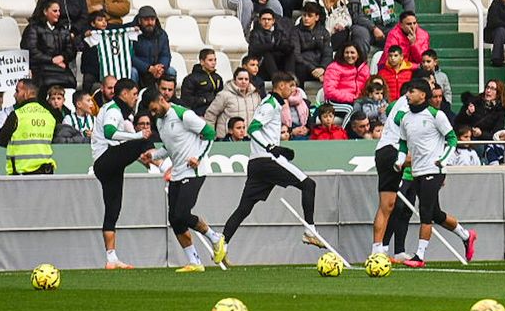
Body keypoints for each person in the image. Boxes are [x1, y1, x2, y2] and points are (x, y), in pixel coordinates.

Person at [220, 72, 329, 258]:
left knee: (244, 207)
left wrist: (278, 147)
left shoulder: (275, 105)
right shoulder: (270, 104)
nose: (294, 89)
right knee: (308, 184)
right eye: (291, 85)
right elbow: (253, 128)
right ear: (280, 86)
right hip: (266, 160)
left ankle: (222, 243)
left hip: (257, 162)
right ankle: (310, 231)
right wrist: (272, 148)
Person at [394, 77, 477, 267]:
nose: (408, 94)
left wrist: (443, 160)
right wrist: (400, 160)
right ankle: (466, 235)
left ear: (423, 95)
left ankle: (419, 256)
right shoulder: (405, 118)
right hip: (417, 171)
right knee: (436, 213)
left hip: (434, 169)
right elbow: (403, 143)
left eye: (412, 91)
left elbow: (452, 138)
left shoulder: (436, 115)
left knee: (425, 212)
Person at [147, 87, 226, 273]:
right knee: (174, 218)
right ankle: (195, 261)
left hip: (194, 171)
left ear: (161, 99)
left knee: (182, 213)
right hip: (177, 172)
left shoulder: (184, 114)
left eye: (153, 108)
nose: (152, 113)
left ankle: (215, 237)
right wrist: (153, 155)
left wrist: (198, 157)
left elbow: (209, 134)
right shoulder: (159, 121)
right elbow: (170, 146)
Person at [88, 78, 153, 269]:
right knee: (142, 139)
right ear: (123, 94)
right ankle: (165, 166)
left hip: (110, 166)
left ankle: (111, 258)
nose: (135, 98)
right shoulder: (113, 109)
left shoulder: (123, 113)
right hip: (105, 160)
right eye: (134, 94)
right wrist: (137, 137)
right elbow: (109, 132)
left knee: (113, 208)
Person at [370, 85, 415, 259]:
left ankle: (378, 250)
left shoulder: (398, 103)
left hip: (383, 150)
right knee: (392, 206)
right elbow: (399, 118)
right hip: (393, 150)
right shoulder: (408, 107)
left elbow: (390, 112)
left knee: (387, 206)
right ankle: (383, 249)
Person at [23, 0, 78, 91]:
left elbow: (71, 50)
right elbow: (31, 50)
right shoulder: (33, 28)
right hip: (40, 68)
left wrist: (62, 57)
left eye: (59, 11)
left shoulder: (63, 29)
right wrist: (52, 60)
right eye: (55, 11)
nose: (58, 14)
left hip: (61, 67)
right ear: (45, 11)